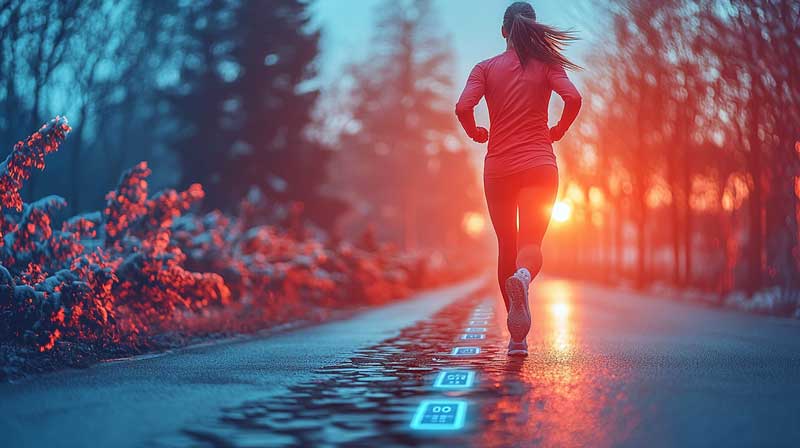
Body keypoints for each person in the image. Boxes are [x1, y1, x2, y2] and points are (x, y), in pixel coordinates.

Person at [455, 1, 582, 356]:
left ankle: (517, 337)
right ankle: (524, 279)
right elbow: (573, 97)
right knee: (530, 244)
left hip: (498, 169)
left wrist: (476, 132)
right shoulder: (548, 65)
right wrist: (557, 129)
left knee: (506, 246)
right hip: (540, 165)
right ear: (532, 29)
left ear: (503, 31)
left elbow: (463, 107)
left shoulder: (484, 68)